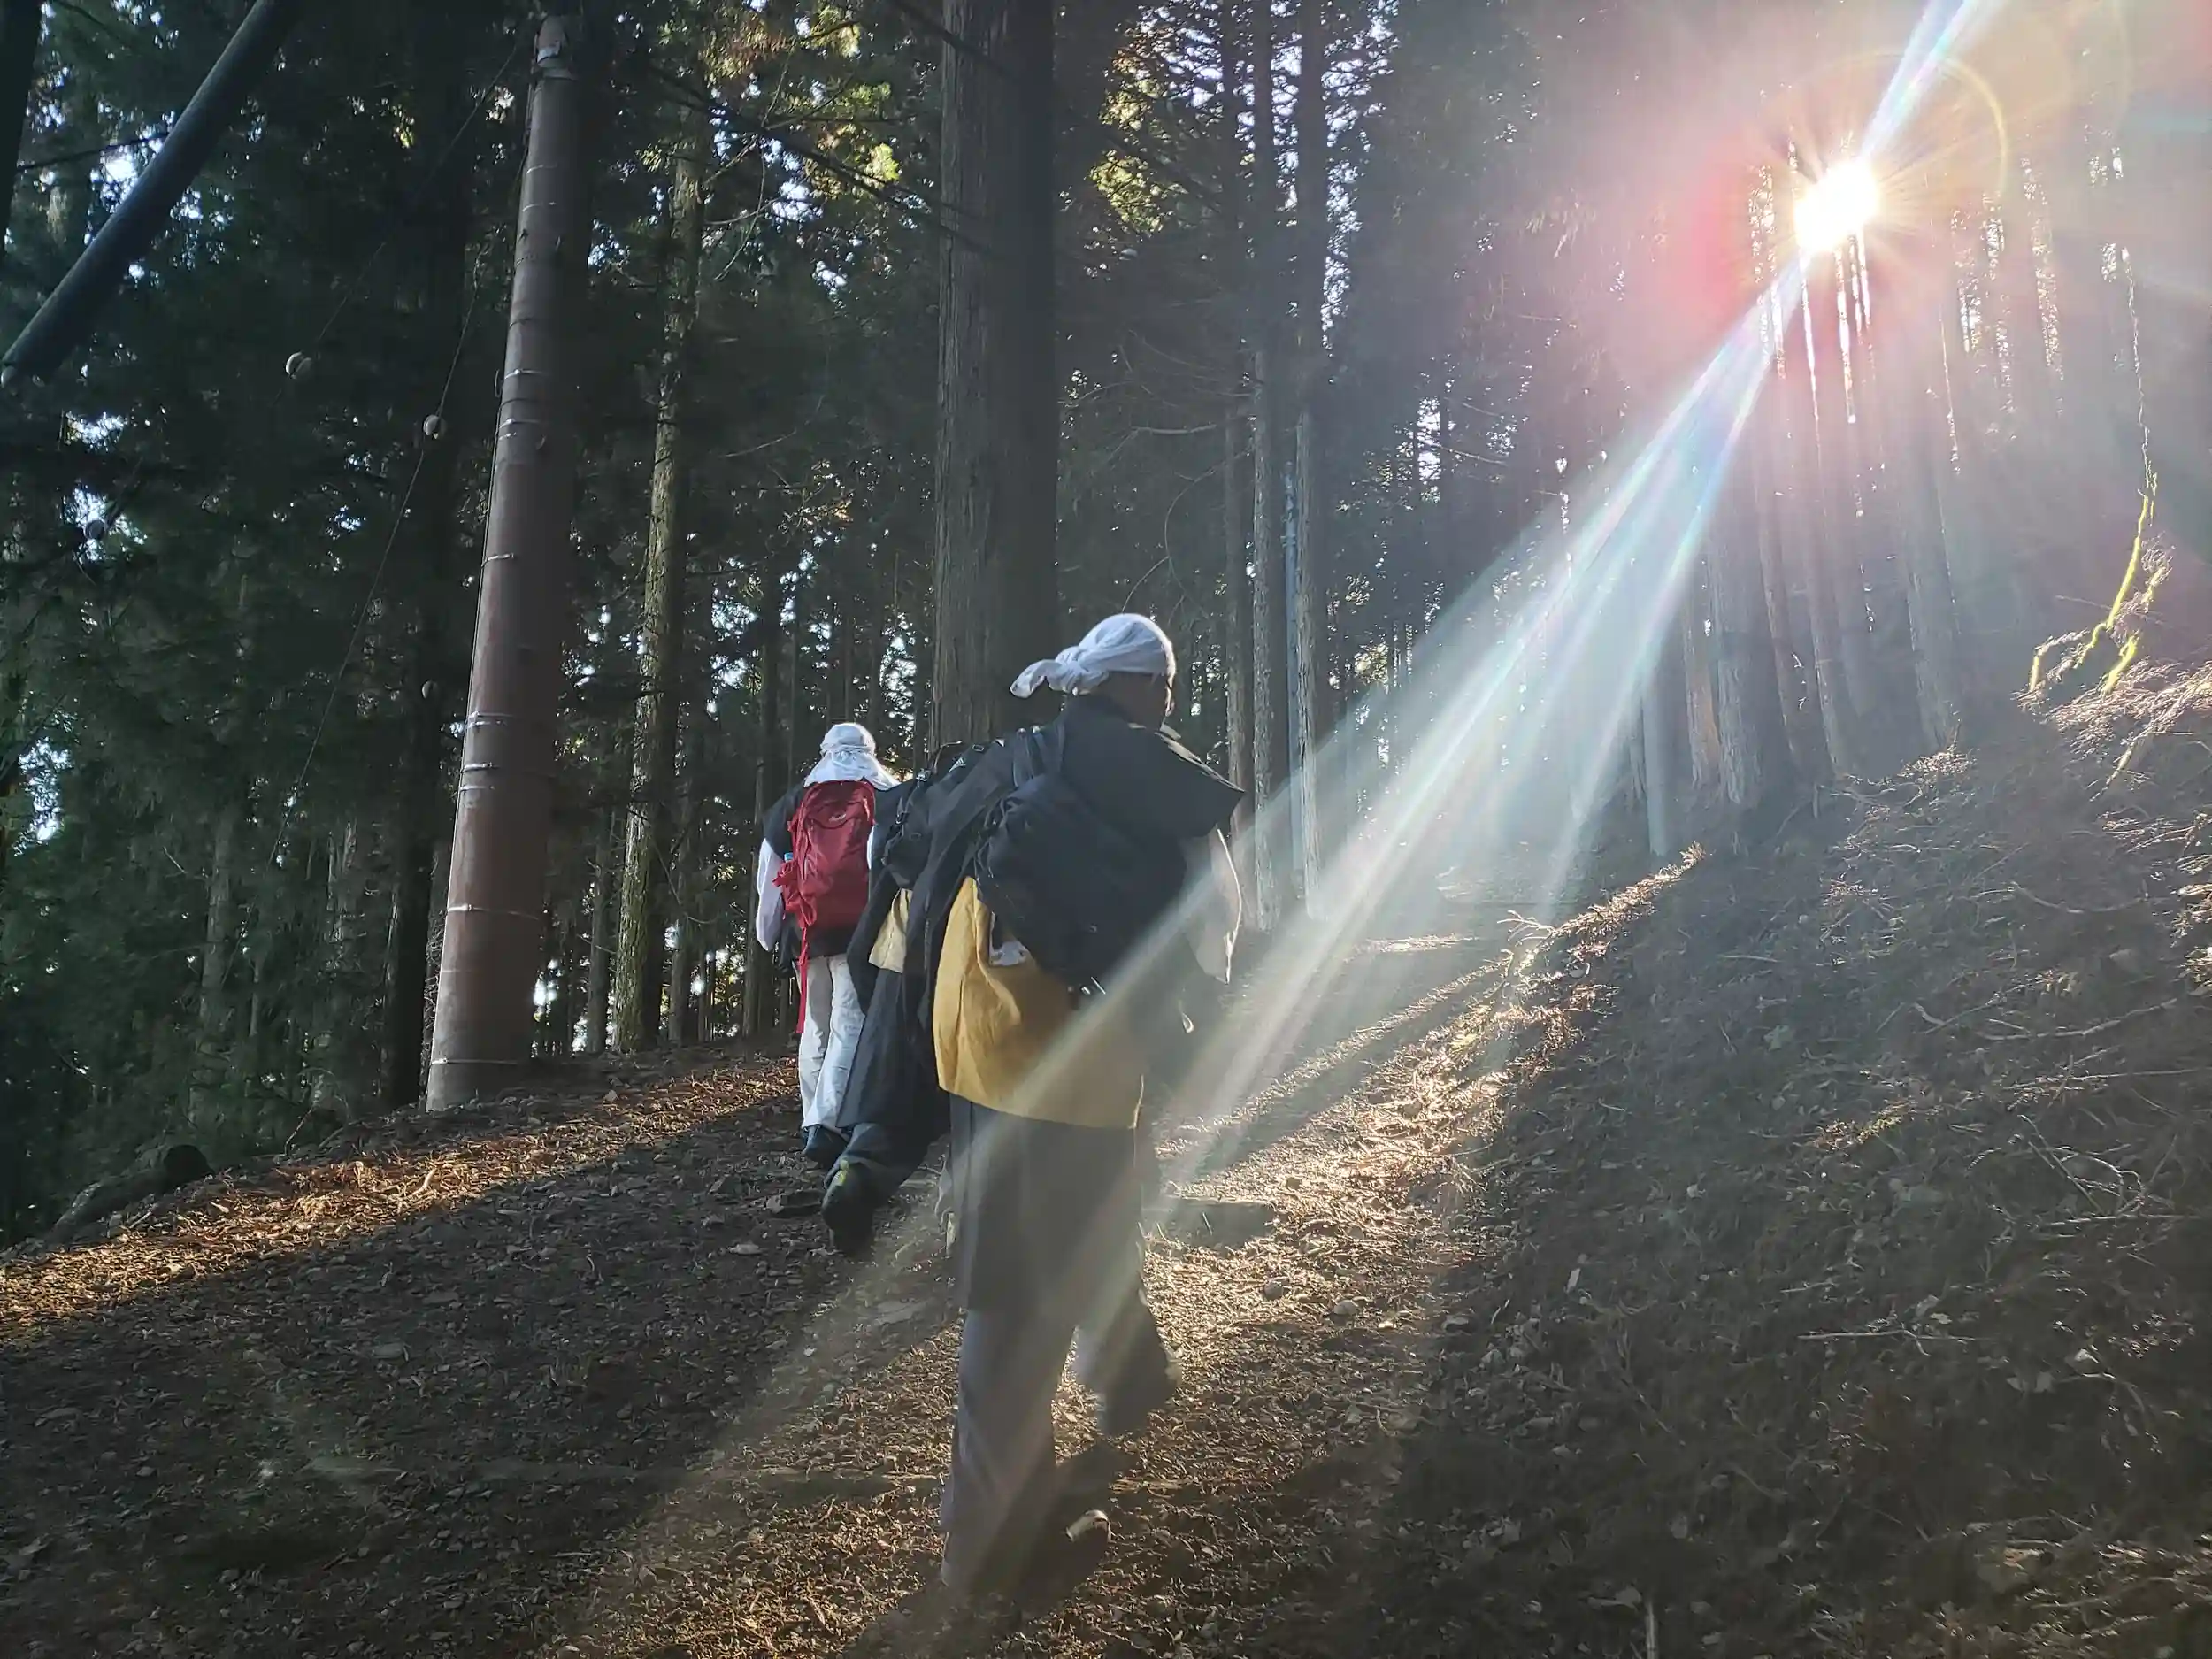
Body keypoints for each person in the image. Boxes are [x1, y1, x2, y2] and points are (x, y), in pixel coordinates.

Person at [915, 614, 1244, 1601]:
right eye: (1166, 682)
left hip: (976, 1037)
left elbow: (927, 864)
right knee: (1023, 1299)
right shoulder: (1154, 771)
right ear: (1139, 686)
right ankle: (987, 1551)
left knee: (1021, 1272)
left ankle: (1009, 1496)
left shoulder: (1020, 751)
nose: (1171, 699)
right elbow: (1220, 922)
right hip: (1067, 1062)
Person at [754, 722, 898, 1167]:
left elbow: (769, 873)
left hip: (807, 931)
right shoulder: (888, 794)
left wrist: (768, 933)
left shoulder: (795, 801)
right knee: (849, 1023)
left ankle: (813, 1120)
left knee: (815, 1025)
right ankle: (828, 1122)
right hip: (864, 931)